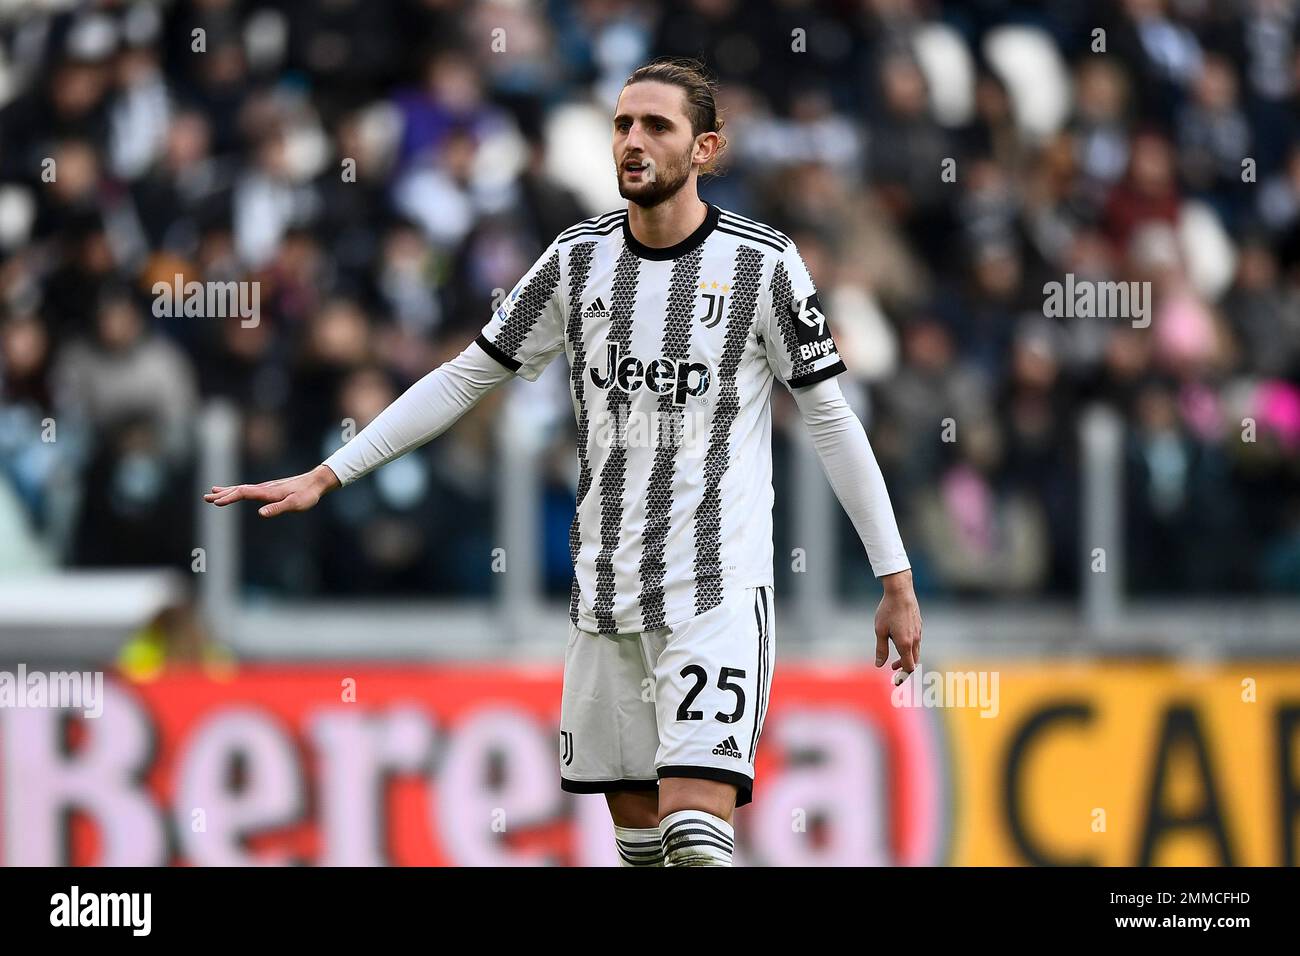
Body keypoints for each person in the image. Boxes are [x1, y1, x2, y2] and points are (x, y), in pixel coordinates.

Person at [204, 58, 922, 867]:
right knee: (645, 853)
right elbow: (466, 376)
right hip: (604, 601)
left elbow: (830, 418)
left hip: (715, 595)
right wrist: (330, 471)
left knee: (695, 838)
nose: (634, 142)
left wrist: (892, 577)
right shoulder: (575, 262)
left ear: (707, 148)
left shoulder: (763, 265)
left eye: (657, 126)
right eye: (622, 125)